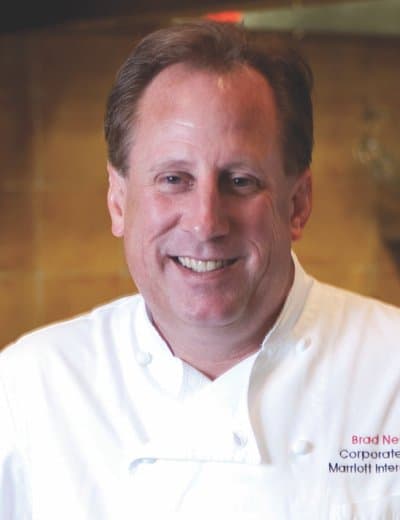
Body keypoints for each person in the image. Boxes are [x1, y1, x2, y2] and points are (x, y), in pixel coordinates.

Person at [1, 21, 399, 518]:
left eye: (240, 180)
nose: (206, 222)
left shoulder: (391, 372)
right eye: (173, 179)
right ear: (118, 201)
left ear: (297, 203)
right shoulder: (29, 389)